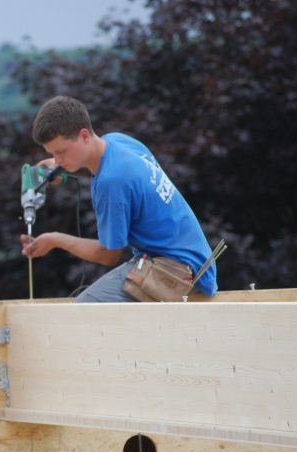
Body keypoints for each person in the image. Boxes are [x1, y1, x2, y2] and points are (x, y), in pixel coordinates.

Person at [20, 95, 217, 301]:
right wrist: (57, 164)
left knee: (82, 312)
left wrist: (55, 240)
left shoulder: (111, 183)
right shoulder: (117, 141)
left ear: (84, 135)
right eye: (52, 153)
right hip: (198, 257)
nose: (58, 160)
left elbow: (109, 255)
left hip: (175, 271)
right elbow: (113, 170)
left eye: (61, 152)